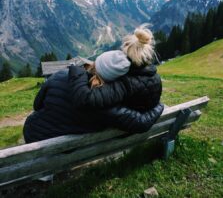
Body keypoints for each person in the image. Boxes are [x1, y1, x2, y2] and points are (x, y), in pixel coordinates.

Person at [23, 28, 163, 143]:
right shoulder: (107, 102)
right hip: (77, 146)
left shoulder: (59, 76)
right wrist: (160, 106)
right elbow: (139, 122)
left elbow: (37, 105)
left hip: (36, 134)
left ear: (95, 64)